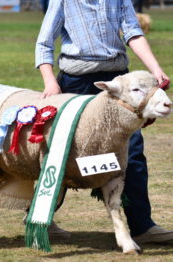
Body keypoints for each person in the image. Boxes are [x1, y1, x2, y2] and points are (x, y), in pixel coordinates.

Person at [35, 0, 173, 243]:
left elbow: (132, 31)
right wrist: (49, 81)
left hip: (117, 84)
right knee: (64, 154)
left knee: (132, 153)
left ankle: (142, 226)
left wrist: (155, 68)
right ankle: (39, 219)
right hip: (76, 84)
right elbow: (44, 42)